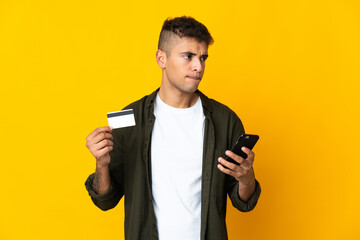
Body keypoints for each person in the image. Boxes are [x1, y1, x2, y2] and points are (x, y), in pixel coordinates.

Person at [85, 16, 261, 240]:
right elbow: (105, 200)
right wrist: (101, 164)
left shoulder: (225, 120)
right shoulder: (128, 119)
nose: (198, 66)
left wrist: (246, 179)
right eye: (188, 56)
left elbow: (243, 201)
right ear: (162, 58)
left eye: (203, 57)